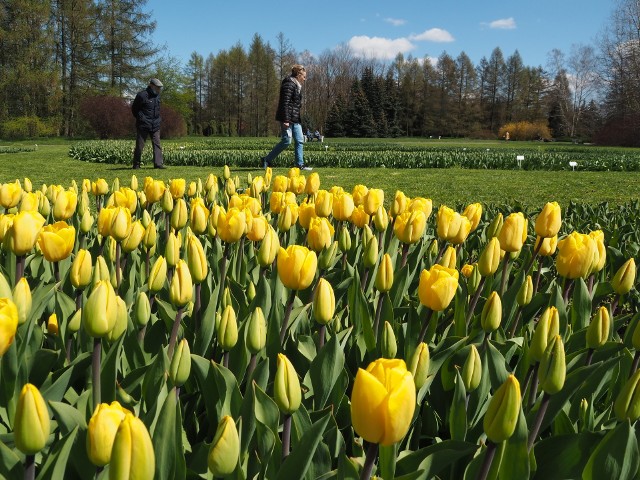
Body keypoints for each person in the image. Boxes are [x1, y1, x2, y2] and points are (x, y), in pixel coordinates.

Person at [261, 65, 312, 170]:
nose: (305, 79)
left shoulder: (297, 86)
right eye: (304, 76)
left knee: (299, 140)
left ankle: (300, 164)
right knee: (286, 141)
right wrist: (286, 120)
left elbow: (295, 105)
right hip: (287, 119)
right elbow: (285, 103)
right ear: (298, 75)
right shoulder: (289, 84)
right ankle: (267, 159)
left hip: (296, 119)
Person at [131, 78, 165, 169]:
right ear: (151, 85)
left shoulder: (157, 96)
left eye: (160, 88)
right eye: (158, 87)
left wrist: (158, 119)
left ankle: (158, 164)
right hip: (143, 125)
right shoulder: (142, 95)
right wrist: (141, 118)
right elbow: (134, 109)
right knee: (140, 145)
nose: (159, 89)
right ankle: (136, 164)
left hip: (156, 124)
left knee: (157, 144)